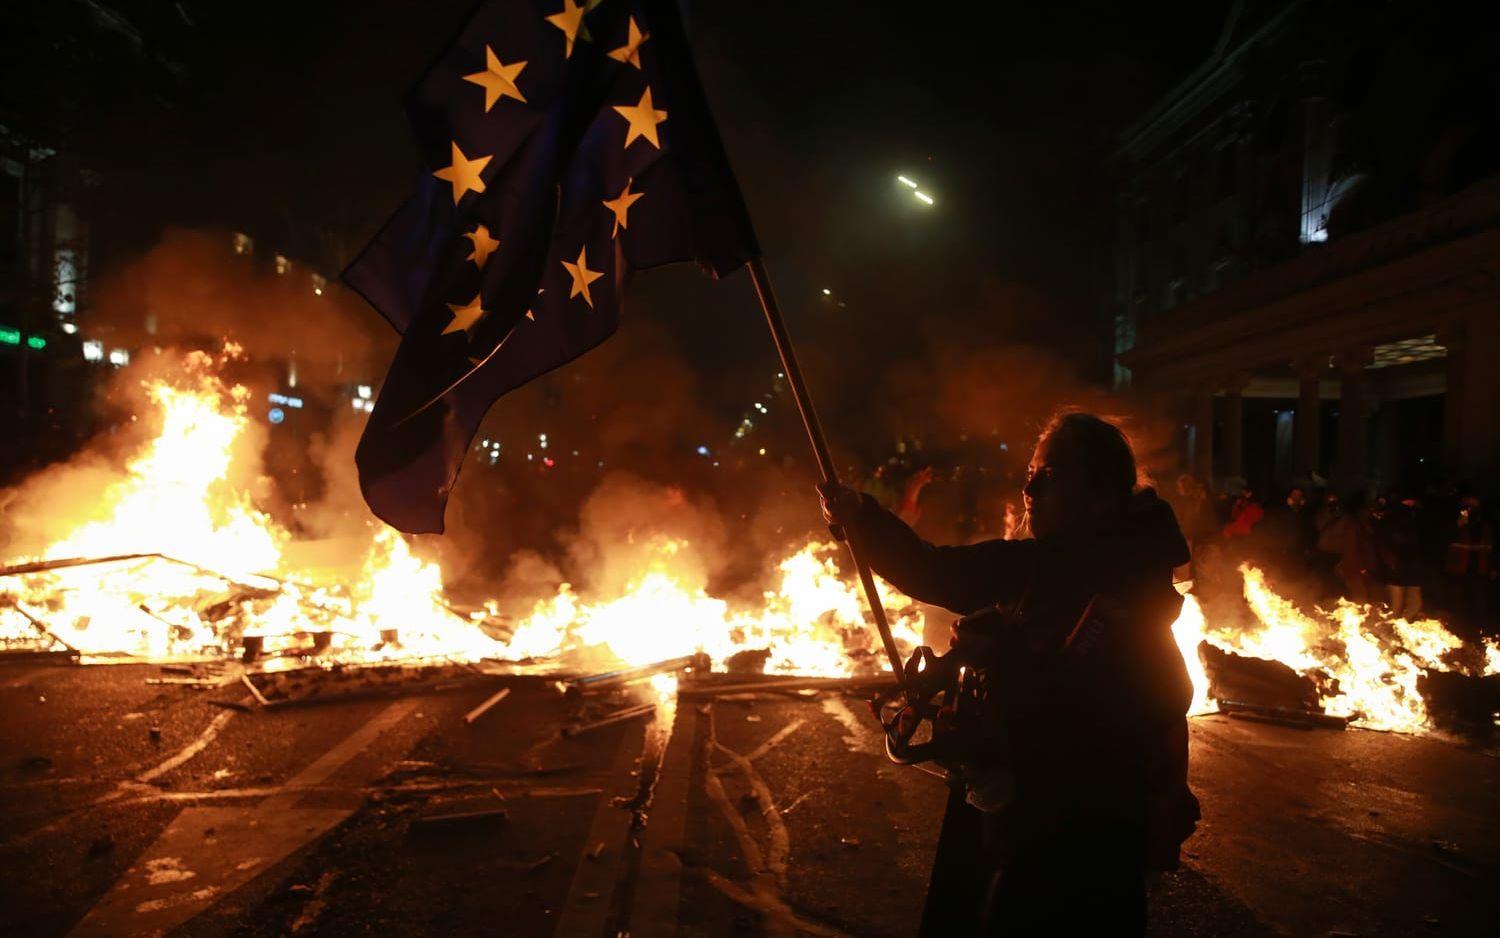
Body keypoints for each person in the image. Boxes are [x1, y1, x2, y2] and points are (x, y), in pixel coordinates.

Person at [819, 410, 1198, 936]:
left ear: (1099, 492)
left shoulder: (1127, 587)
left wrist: (1005, 660)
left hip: (1079, 833)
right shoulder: (1037, 564)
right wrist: (861, 517)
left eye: (1049, 473)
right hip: (1017, 816)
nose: (1029, 486)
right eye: (1031, 471)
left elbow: (1140, 704)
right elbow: (932, 570)